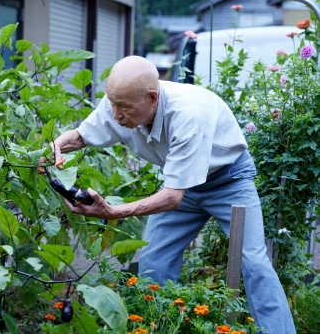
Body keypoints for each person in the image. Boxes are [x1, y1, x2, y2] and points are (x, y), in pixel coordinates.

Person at [48, 56, 296, 333]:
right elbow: (82, 136)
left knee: (253, 263)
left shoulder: (187, 114)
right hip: (183, 185)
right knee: (154, 262)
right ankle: (163, 326)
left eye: (124, 108)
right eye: (112, 103)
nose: (115, 114)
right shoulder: (122, 102)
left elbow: (171, 199)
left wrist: (114, 212)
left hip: (228, 182)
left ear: (152, 98)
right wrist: (55, 146)